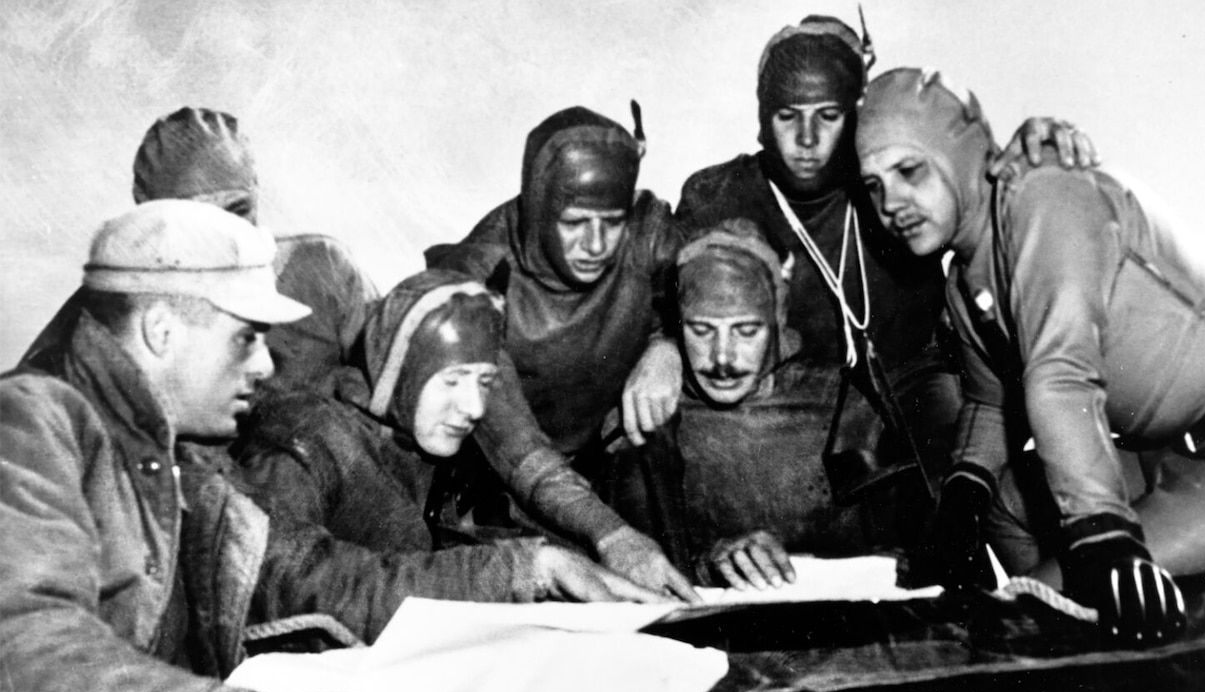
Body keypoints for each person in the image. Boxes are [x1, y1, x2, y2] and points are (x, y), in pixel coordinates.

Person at [0, 201, 656, 692]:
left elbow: (317, 577)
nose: (264, 365)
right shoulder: (28, 422)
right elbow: (28, 651)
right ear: (163, 330)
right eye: (245, 336)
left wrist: (525, 568)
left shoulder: (186, 465)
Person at [856, 67, 1205, 646]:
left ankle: (1127, 631)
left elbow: (1061, 376)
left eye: (910, 171)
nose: (892, 202)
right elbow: (988, 402)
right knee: (1006, 503)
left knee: (1035, 605)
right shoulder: (964, 278)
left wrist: (1103, 537)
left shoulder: (1042, 195)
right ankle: (1124, 636)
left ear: (960, 159)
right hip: (1182, 454)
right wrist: (960, 500)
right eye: (874, 186)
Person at [675, 14, 1099, 501]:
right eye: (788, 115)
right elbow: (668, 292)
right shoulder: (719, 194)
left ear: (855, 116)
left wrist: (1033, 147)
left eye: (828, 115)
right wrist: (661, 348)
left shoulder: (894, 179)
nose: (808, 139)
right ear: (762, 120)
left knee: (958, 481)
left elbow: (979, 186)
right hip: (791, 405)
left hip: (916, 380)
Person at [234, 268, 662, 595]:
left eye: (484, 382)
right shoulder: (305, 433)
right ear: (396, 374)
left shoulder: (419, 440)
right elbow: (280, 580)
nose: (474, 407)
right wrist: (514, 573)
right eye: (453, 380)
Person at [425, 105, 697, 601]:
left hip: (599, 469)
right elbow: (517, 447)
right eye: (574, 222)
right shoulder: (478, 281)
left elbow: (726, 282)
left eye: (611, 222)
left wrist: (669, 343)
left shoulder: (647, 234)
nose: (596, 244)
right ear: (537, 209)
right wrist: (612, 535)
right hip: (497, 490)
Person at [608, 218, 932, 589]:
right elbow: (626, 575)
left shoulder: (844, 407)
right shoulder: (649, 416)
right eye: (701, 330)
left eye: (746, 331)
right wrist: (711, 568)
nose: (722, 358)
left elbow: (918, 559)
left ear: (777, 320)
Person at [23, 107, 379, 393]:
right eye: (197, 221)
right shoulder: (108, 309)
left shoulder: (321, 270)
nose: (227, 236)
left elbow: (405, 380)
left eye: (238, 211)